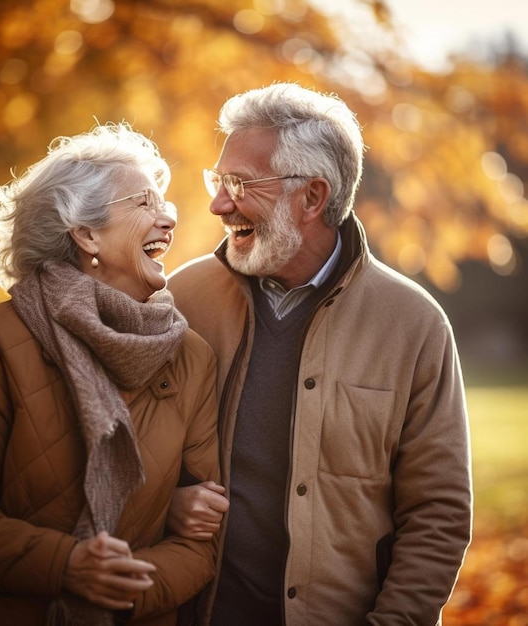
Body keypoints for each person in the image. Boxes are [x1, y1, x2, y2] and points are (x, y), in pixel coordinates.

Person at [167, 83, 473, 625]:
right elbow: (122, 458)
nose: (218, 203)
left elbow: (438, 514)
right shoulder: (180, 301)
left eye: (239, 183)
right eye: (218, 181)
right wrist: (165, 506)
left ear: (311, 197)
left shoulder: (415, 325)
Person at [0, 121, 221, 626]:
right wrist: (67, 567)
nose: (168, 216)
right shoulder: (1, 338)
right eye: (144, 203)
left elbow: (202, 539)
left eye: (164, 202)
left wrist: (120, 588)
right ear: (86, 234)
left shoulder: (191, 355)